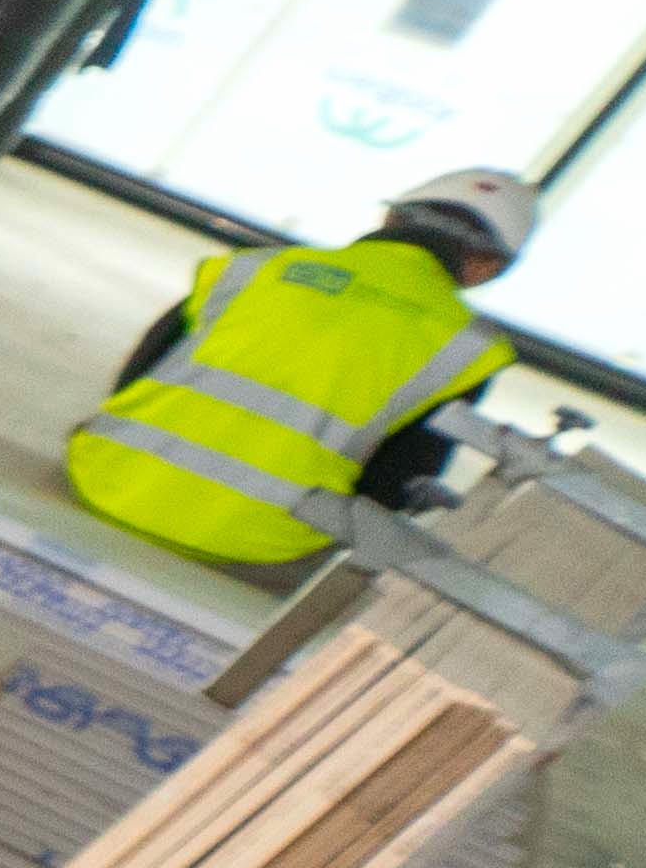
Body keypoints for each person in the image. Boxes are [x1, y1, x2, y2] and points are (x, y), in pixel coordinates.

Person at [61, 167, 532, 568]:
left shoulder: (253, 269)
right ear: (484, 267)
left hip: (105, 478)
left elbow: (138, 372)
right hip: (263, 540)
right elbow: (396, 485)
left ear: (391, 218)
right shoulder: (465, 348)